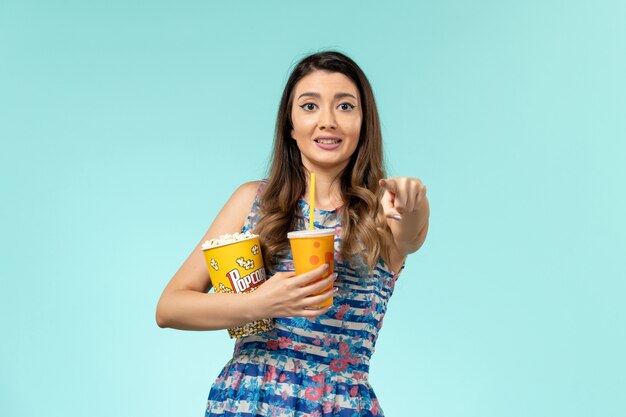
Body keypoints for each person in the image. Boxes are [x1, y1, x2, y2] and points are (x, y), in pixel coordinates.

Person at [156, 50, 430, 417]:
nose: (328, 121)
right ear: (290, 124)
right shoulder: (252, 202)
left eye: (346, 106)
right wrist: (258, 303)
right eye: (310, 106)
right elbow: (169, 307)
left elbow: (411, 235)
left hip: (339, 406)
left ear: (364, 122)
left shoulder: (381, 212)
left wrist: (413, 202)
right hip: (246, 401)